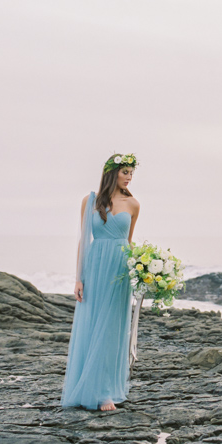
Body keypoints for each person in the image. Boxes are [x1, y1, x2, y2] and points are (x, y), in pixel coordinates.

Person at [60, 153, 140, 411]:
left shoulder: (134, 205)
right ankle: (89, 386)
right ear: (112, 172)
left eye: (131, 173)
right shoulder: (91, 201)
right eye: (125, 171)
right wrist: (78, 278)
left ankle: (106, 390)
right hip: (95, 267)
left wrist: (141, 270)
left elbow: (128, 242)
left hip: (119, 270)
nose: (129, 177)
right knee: (93, 324)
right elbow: (84, 240)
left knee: (113, 328)